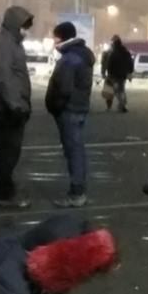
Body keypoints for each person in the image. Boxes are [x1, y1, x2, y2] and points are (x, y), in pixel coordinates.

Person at [0, 6, 35, 208]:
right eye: (24, 26)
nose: (26, 31)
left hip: (12, 106)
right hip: (8, 109)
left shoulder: (12, 43)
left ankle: (4, 190)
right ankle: (5, 195)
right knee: (8, 152)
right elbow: (4, 79)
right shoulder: (5, 45)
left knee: (8, 151)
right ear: (15, 25)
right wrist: (16, 106)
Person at [44, 21, 95, 206]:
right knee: (77, 150)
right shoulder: (81, 55)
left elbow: (63, 89)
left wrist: (54, 106)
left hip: (69, 110)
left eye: (55, 38)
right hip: (79, 107)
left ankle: (77, 192)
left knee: (73, 151)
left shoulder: (70, 59)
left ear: (63, 38)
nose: (54, 42)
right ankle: (78, 189)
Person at [101, 34, 134, 112]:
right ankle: (122, 105)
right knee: (121, 90)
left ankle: (110, 107)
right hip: (122, 75)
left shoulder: (110, 52)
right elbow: (130, 63)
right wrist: (129, 72)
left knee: (109, 90)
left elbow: (107, 64)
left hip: (112, 75)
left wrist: (104, 72)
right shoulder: (126, 52)